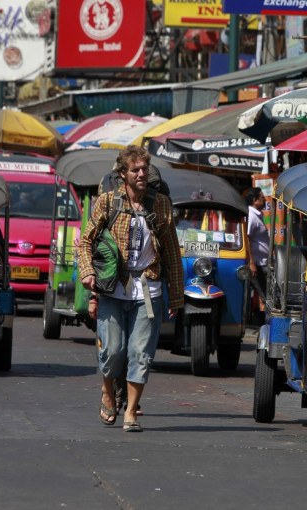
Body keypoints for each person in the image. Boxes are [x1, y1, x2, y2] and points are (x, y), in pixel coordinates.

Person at [76, 145, 183, 432]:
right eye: (135, 169)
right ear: (123, 173)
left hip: (149, 290)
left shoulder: (160, 204)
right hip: (113, 289)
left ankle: (131, 411)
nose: (141, 174)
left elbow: (172, 250)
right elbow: (85, 242)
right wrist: (87, 272)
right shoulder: (108, 203)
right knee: (112, 351)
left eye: (144, 169)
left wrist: (176, 295)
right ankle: (109, 392)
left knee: (141, 354)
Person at [246, 187, 269, 320]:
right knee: (266, 296)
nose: (265, 199)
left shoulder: (257, 215)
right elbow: (246, 237)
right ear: (255, 200)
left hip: (263, 262)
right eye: (262, 197)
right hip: (257, 264)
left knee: (267, 295)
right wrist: (252, 262)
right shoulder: (251, 216)